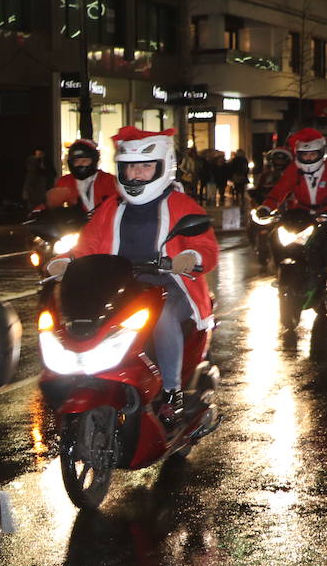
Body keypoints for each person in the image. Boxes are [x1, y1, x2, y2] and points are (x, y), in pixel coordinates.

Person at [69, 128, 219, 424]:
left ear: (164, 166)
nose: (137, 174)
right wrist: (66, 262)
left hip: (171, 285)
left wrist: (190, 257)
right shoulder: (111, 207)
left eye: (145, 166)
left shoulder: (181, 204)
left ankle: (173, 393)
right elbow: (86, 243)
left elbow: (206, 245)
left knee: (160, 316)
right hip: (119, 284)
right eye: (130, 167)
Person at [259, 128, 327, 288]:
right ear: (298, 154)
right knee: (275, 237)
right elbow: (280, 190)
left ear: (321, 153)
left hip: (326, 214)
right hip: (300, 214)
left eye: (313, 154)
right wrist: (266, 207)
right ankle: (279, 271)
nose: (309, 157)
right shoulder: (293, 170)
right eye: (305, 154)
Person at [46, 139, 118, 211]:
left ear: (94, 160)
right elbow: (49, 205)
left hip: (105, 221)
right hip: (77, 221)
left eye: (84, 161)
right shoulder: (65, 181)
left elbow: (118, 205)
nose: (80, 164)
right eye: (76, 161)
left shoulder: (108, 180)